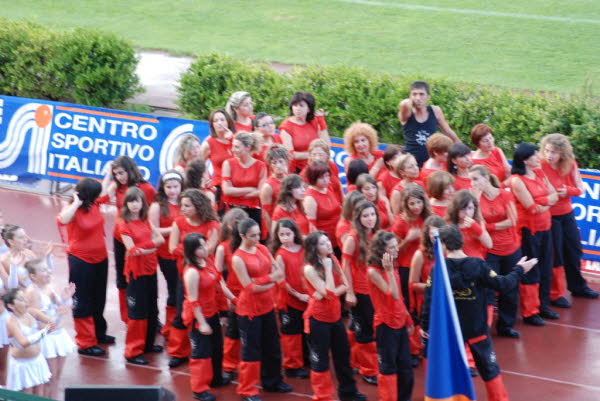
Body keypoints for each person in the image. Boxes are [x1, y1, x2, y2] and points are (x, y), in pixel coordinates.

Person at [422, 225, 537, 401]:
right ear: (461, 242)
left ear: (443, 245)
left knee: (449, 372)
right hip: (477, 329)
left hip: (451, 333)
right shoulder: (478, 265)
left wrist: (425, 325)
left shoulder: (439, 269)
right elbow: (503, 284)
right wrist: (519, 269)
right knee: (490, 370)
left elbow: (429, 300)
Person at [231, 218, 291, 400]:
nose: (257, 238)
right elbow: (249, 288)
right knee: (251, 350)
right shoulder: (238, 258)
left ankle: (273, 381)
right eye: (253, 236)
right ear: (242, 236)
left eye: (258, 234)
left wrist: (263, 281)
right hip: (249, 310)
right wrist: (270, 280)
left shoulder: (263, 249)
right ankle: (247, 390)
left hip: (266, 306)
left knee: (272, 346)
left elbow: (279, 273)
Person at [303, 231, 365, 401]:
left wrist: (326, 292)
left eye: (328, 240)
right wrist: (328, 269)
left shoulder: (332, 258)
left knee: (343, 356)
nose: (329, 244)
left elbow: (344, 285)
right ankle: (322, 396)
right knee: (320, 361)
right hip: (318, 319)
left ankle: (348, 392)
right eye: (323, 243)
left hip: (335, 316)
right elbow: (331, 292)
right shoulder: (309, 268)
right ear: (315, 248)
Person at [540, 134, 599, 302]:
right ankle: (555, 294)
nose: (549, 155)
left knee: (574, 251)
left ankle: (578, 287)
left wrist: (568, 191)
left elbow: (581, 188)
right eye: (547, 150)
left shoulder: (570, 164)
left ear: (562, 154)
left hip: (566, 214)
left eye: (554, 152)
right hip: (549, 216)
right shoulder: (540, 165)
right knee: (556, 255)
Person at [56, 178, 112, 356]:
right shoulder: (73, 209)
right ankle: (85, 343)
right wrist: (76, 202)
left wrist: (109, 173)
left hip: (100, 258)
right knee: (83, 301)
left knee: (98, 297)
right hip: (81, 260)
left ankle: (98, 333)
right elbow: (62, 219)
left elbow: (105, 191)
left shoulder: (94, 203)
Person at [168, 189, 220, 368]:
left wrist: (188, 251)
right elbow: (171, 248)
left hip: (206, 276)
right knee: (181, 314)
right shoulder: (179, 222)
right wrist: (192, 251)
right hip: (185, 275)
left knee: (208, 312)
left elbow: (209, 250)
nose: (182, 209)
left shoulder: (211, 224)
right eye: (182, 205)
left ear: (198, 206)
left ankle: (206, 351)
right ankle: (177, 351)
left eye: (187, 205)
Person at [101, 155, 156, 324]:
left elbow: (154, 211)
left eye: (121, 173)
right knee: (121, 276)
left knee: (142, 277)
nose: (120, 177)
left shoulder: (146, 188)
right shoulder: (117, 187)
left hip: (139, 238)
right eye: (116, 174)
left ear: (130, 170)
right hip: (120, 237)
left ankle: (148, 315)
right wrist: (108, 176)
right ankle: (127, 316)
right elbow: (101, 197)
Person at [469, 165, 522, 337]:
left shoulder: (505, 194)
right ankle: (485, 326)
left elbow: (512, 221)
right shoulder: (474, 200)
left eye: (476, 179)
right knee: (489, 289)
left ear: (486, 178)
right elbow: (477, 224)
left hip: (510, 247)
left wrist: (489, 226)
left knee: (511, 288)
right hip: (490, 250)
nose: (473, 183)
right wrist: (476, 202)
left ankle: (506, 326)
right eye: (471, 180)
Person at [510, 143, 558, 326]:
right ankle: (530, 312)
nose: (538, 156)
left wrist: (542, 202)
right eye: (534, 155)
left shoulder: (539, 172)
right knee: (531, 269)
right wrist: (547, 201)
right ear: (524, 160)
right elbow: (532, 207)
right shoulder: (517, 180)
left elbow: (552, 195)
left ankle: (543, 306)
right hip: (528, 230)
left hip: (545, 227)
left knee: (546, 267)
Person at [118, 187, 164, 365]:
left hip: (150, 269)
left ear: (142, 202)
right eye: (131, 201)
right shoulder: (124, 224)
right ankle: (132, 351)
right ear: (126, 204)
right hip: (136, 272)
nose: (134, 204)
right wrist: (150, 247)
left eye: (137, 201)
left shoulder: (145, 219)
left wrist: (144, 248)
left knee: (152, 308)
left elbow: (159, 240)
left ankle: (147, 344)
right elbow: (132, 250)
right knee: (137, 313)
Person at [367, 230, 414, 401]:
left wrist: (407, 317)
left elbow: (399, 297)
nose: (396, 251)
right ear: (381, 250)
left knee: (406, 368)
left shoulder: (392, 266)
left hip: (399, 321)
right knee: (388, 368)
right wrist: (388, 271)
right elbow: (392, 294)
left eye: (396, 247)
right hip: (386, 324)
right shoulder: (373, 271)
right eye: (392, 248)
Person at [182, 233, 230, 401]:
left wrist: (233, 299)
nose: (206, 248)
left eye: (205, 245)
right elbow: (193, 301)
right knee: (201, 352)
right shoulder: (192, 272)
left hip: (212, 312)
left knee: (217, 347)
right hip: (198, 316)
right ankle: (199, 388)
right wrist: (201, 323)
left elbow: (219, 283)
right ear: (192, 251)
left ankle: (216, 378)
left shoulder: (207, 261)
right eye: (201, 247)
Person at [25, 258, 76, 399]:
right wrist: (58, 318)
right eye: (43, 270)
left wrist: (66, 299)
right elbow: (38, 323)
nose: (48, 272)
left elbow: (58, 308)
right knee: (49, 380)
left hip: (58, 336)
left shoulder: (49, 287)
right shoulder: (32, 293)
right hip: (46, 339)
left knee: (56, 379)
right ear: (33, 276)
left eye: (47, 269)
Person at [342, 200, 380, 385]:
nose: (370, 218)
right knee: (364, 329)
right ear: (358, 218)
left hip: (373, 289)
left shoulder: (375, 235)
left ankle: (353, 360)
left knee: (358, 326)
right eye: (365, 216)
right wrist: (349, 291)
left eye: (372, 214)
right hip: (360, 290)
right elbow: (346, 265)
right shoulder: (353, 238)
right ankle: (368, 369)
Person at [271, 219, 310, 379]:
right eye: (281, 235)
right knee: (291, 333)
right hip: (289, 300)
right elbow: (282, 281)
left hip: (305, 297)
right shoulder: (280, 255)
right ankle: (292, 365)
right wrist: (298, 294)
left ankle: (305, 358)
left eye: (288, 234)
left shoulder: (303, 249)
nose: (285, 238)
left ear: (295, 233)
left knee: (304, 330)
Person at [148, 170, 184, 341]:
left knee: (183, 289)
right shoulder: (157, 206)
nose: (172, 190)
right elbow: (153, 230)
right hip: (167, 254)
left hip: (183, 253)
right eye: (169, 187)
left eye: (175, 186)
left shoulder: (185, 203)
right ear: (163, 187)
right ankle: (170, 325)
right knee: (173, 288)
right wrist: (175, 229)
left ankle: (180, 322)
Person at [215, 208, 249, 380]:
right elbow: (217, 276)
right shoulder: (223, 247)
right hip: (234, 294)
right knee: (233, 331)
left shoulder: (251, 243)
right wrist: (229, 298)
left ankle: (249, 366)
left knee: (251, 332)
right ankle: (229, 365)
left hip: (251, 293)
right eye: (233, 225)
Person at [398, 81, 460, 167]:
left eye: (421, 94)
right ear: (410, 97)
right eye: (414, 94)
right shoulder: (407, 114)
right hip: (412, 164)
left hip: (432, 162)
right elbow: (404, 104)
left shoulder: (435, 111)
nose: (418, 98)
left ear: (428, 97)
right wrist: (409, 102)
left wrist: (461, 148)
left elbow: (448, 132)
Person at [4, 288, 53, 395]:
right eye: (21, 299)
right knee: (27, 395)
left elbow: (52, 322)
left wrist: (63, 302)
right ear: (11, 306)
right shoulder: (11, 321)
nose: (26, 301)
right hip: (23, 365)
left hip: (37, 360)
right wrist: (43, 331)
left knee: (40, 394)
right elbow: (23, 343)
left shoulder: (32, 312)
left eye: (25, 298)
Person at [222, 132, 267, 226]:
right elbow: (226, 190)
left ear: (247, 147)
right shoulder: (228, 163)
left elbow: (261, 192)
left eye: (237, 147)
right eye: (233, 146)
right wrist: (250, 189)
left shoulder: (260, 166)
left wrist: (235, 192)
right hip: (232, 209)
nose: (233, 149)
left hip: (253, 210)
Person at [280, 91, 330, 172]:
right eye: (295, 105)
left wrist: (322, 123)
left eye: (301, 106)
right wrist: (312, 155)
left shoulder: (314, 121)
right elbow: (289, 154)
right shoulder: (286, 126)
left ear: (309, 109)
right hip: (297, 169)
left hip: (317, 165)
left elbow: (327, 146)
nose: (297, 109)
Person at [200, 109, 236, 213]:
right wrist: (207, 179)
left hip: (237, 184)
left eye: (222, 119)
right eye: (215, 121)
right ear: (212, 125)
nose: (219, 123)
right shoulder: (209, 142)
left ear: (228, 122)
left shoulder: (236, 139)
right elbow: (199, 163)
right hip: (219, 186)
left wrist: (231, 140)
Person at [303, 162, 342, 253]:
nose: (325, 180)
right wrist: (323, 246)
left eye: (327, 176)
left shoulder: (328, 188)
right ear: (313, 178)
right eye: (321, 177)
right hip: (326, 243)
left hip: (338, 237)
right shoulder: (310, 198)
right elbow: (312, 226)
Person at [446, 190, 492, 260]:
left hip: (475, 264)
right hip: (457, 264)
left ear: (475, 209)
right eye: (463, 209)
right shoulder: (449, 224)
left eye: (470, 208)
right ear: (456, 209)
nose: (467, 212)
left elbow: (489, 244)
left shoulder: (478, 223)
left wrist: (476, 228)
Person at [259, 144, 289, 238]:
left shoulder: (290, 179)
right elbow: (266, 214)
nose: (278, 165)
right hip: (277, 227)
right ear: (270, 164)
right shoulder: (268, 186)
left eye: (280, 161)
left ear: (286, 162)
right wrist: (272, 234)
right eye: (274, 162)